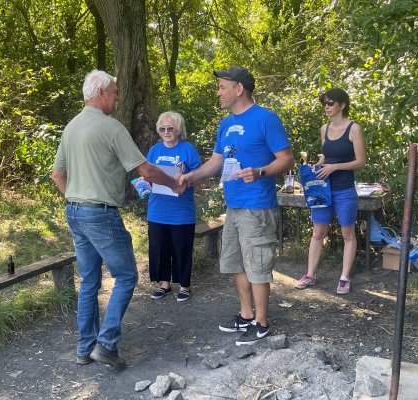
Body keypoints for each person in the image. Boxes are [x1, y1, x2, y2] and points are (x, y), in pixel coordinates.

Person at [51, 69, 185, 370]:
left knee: (89, 281)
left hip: (74, 210)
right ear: (100, 93)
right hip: (99, 213)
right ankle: (106, 345)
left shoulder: (71, 128)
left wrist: (77, 198)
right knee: (125, 276)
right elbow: (146, 170)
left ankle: (84, 349)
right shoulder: (111, 128)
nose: (116, 98)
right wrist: (174, 183)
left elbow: (58, 175)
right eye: (113, 93)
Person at [178, 66, 294, 345]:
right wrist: (191, 177)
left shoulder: (266, 119)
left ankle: (262, 323)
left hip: (257, 206)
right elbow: (217, 161)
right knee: (236, 263)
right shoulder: (226, 124)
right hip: (233, 206)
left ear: (238, 89)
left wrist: (260, 172)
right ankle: (245, 315)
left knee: (257, 265)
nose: (218, 92)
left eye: (221, 87)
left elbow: (287, 159)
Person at [295, 88, 366, 294]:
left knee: (347, 233)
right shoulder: (324, 129)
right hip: (322, 190)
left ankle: (344, 278)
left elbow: (360, 161)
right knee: (318, 233)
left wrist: (335, 167)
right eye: (324, 103)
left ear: (342, 105)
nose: (326, 107)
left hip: (344, 189)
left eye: (330, 103)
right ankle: (310, 275)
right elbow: (326, 156)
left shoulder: (354, 129)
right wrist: (315, 167)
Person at [146, 111, 202, 302]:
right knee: (159, 248)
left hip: (181, 212)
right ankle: (164, 284)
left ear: (178, 129)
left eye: (170, 128)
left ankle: (184, 286)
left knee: (181, 248)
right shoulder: (154, 150)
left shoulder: (188, 150)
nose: (166, 132)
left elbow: (201, 177)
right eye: (162, 129)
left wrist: (187, 182)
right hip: (157, 211)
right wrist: (145, 183)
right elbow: (147, 174)